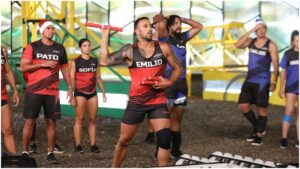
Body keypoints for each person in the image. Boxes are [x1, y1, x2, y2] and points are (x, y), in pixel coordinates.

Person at [100, 17, 183, 167]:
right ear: (137, 31)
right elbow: (104, 61)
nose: (149, 29)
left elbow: (178, 68)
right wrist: (105, 37)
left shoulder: (163, 47)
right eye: (145, 26)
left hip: (157, 102)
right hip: (137, 102)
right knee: (124, 141)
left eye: (150, 26)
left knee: (164, 138)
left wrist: (169, 82)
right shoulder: (129, 50)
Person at [20, 19, 73, 164]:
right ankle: (25, 152)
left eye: (52, 28)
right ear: (42, 30)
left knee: (51, 123)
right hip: (34, 90)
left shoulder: (60, 48)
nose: (51, 30)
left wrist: (70, 87)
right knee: (30, 121)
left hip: (52, 92)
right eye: (48, 28)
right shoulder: (33, 47)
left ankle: (50, 153)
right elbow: (23, 67)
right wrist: (43, 64)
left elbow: (65, 69)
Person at [152, 14, 203, 158]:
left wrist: (182, 19)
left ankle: (175, 150)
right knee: (164, 119)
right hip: (168, 83)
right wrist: (163, 20)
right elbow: (160, 27)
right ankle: (160, 150)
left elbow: (199, 26)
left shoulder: (182, 38)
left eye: (179, 24)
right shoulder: (163, 38)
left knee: (177, 119)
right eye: (175, 24)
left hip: (181, 84)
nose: (179, 26)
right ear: (168, 26)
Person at [235, 19, 279, 146]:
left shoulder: (271, 45)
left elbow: (276, 65)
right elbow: (238, 45)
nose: (261, 30)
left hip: (263, 81)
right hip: (249, 80)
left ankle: (259, 137)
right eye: (258, 28)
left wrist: (274, 82)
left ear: (266, 29)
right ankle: (258, 127)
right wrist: (252, 30)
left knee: (261, 108)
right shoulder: (251, 41)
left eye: (263, 28)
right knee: (243, 106)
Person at [70, 38, 106, 153]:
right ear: (80, 48)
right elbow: (71, 80)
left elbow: (98, 77)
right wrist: (71, 95)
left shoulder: (95, 61)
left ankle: (93, 145)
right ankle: (78, 145)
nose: (87, 47)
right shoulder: (75, 61)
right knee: (79, 119)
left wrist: (103, 92)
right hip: (80, 93)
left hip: (92, 93)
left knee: (92, 120)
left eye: (88, 45)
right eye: (84, 45)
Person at [278, 30, 299, 149]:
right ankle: (284, 138)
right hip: (291, 87)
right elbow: (283, 72)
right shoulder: (288, 54)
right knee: (289, 110)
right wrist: (281, 88)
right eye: (297, 41)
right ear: (293, 42)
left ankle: (299, 140)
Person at [1, 46, 20, 154]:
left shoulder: (2, 50)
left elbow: (7, 71)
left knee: (7, 129)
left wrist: (15, 90)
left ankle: (14, 161)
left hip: (2, 96)